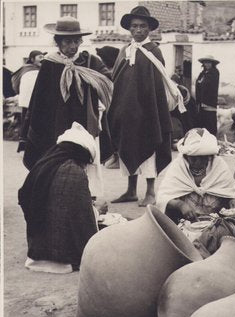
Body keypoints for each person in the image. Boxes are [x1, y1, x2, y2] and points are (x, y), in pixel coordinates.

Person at [22, 16, 113, 197]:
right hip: (55, 124)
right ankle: (58, 196)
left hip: (85, 122)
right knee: (57, 159)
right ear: (58, 42)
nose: (72, 46)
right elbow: (39, 100)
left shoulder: (90, 62)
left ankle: (88, 199)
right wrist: (34, 128)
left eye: (76, 41)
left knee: (85, 161)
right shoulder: (50, 64)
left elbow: (107, 81)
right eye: (67, 41)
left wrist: (90, 79)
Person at [107, 6, 184, 206]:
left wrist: (148, 109)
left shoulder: (154, 52)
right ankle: (131, 190)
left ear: (149, 29)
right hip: (126, 113)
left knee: (148, 149)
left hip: (147, 112)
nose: (138, 30)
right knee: (128, 148)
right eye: (134, 26)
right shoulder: (124, 51)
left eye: (142, 26)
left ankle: (150, 191)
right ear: (129, 29)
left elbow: (156, 85)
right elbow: (117, 81)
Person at [18, 122, 98, 274]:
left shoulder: (43, 165)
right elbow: (83, 221)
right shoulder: (74, 172)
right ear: (81, 153)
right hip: (64, 260)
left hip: (36, 255)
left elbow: (24, 196)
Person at [156, 128, 235, 223]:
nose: (198, 162)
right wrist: (180, 205)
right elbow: (162, 198)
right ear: (185, 156)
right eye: (193, 158)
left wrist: (232, 201)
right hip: (184, 221)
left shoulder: (219, 165)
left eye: (203, 157)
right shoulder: (178, 166)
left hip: (216, 221)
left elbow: (229, 191)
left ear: (210, 156)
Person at [12, 51, 46, 152]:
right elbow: (16, 83)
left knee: (32, 123)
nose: (42, 59)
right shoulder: (26, 69)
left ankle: (31, 145)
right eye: (40, 57)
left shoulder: (41, 70)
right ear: (32, 59)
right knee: (27, 123)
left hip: (35, 101)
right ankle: (26, 145)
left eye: (43, 57)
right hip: (27, 102)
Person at [195, 55, 220, 136]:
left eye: (209, 63)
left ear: (212, 64)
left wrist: (201, 83)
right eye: (205, 63)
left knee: (210, 120)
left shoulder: (214, 72)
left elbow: (208, 84)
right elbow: (198, 84)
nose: (207, 64)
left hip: (210, 101)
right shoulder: (202, 74)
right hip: (202, 101)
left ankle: (212, 136)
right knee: (203, 120)